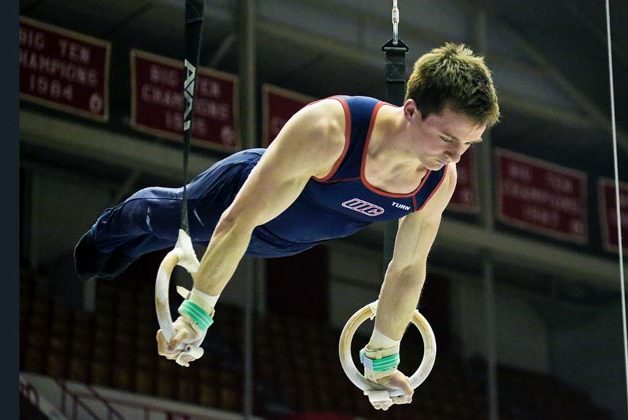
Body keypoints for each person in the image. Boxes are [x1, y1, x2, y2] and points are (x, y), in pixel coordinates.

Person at [74, 42, 500, 407]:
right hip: (238, 202)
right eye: (447, 138)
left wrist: (383, 358)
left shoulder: (438, 180)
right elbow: (239, 220)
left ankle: (130, 246)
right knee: (162, 223)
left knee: (157, 242)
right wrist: (197, 314)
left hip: (288, 242)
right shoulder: (330, 130)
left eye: (468, 144)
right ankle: (110, 229)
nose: (455, 156)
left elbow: (407, 269)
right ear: (411, 110)